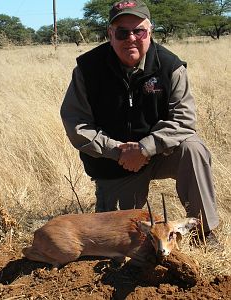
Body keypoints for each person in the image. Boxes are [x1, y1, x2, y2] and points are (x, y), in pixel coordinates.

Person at [60, 0, 219, 243]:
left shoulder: (170, 66)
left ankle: (204, 233)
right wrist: (118, 151)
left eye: (139, 31)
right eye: (122, 32)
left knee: (193, 149)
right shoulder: (88, 69)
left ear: (150, 31)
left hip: (161, 153)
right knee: (123, 240)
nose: (131, 38)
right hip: (116, 162)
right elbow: (76, 123)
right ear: (110, 34)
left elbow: (184, 119)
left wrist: (145, 148)